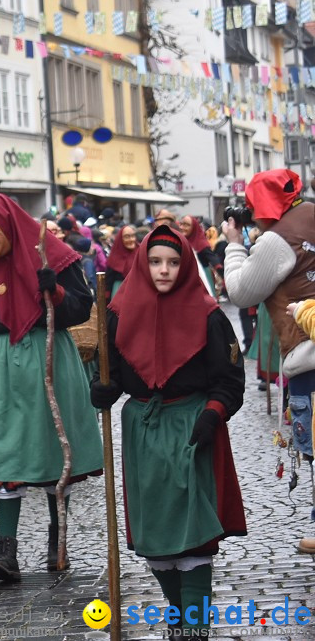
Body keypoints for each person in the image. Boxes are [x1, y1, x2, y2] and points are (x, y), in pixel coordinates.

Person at [91, 225, 246, 639]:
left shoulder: (209, 315)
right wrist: (104, 389)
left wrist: (213, 414)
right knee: (156, 536)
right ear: (144, 264)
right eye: (157, 262)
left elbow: (230, 379)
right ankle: (178, 619)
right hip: (143, 431)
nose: (165, 270)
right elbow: (112, 373)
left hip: (192, 428)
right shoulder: (119, 312)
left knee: (193, 534)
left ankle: (195, 629)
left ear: (185, 265)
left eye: (174, 262)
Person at [0, 192, 103, 582]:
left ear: (7, 222)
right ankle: (6, 552)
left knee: (56, 451)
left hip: (52, 360)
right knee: (5, 451)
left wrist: (54, 291)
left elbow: (80, 307)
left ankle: (57, 542)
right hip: (1, 366)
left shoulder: (54, 256)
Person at [220, 169, 315, 552]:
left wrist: (234, 245)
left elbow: (241, 291)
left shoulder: (277, 239)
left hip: (309, 353)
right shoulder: (309, 213)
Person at [178, 215, 217, 295]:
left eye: (186, 225)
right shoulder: (179, 242)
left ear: (194, 227)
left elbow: (214, 261)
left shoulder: (201, 244)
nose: (182, 227)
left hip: (202, 279)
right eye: (181, 224)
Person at [104, 224, 138, 299]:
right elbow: (108, 283)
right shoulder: (114, 258)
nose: (131, 239)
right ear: (120, 239)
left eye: (133, 236)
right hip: (119, 295)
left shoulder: (141, 253)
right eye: (127, 237)